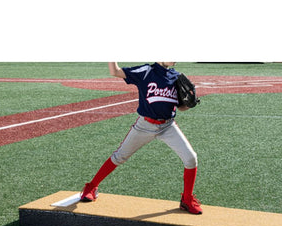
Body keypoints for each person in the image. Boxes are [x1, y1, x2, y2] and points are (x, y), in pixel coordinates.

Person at [80, 62, 202, 214]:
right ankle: (91, 186)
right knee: (119, 157)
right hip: (145, 125)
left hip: (168, 126)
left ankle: (187, 199)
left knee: (191, 158)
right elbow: (115, 72)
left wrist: (190, 103)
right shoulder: (146, 71)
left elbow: (181, 107)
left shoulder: (176, 76)